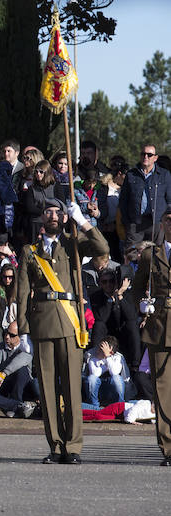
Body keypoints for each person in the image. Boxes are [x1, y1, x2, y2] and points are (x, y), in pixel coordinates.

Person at [16, 198, 110, 465]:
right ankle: (55, 445)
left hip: (70, 322)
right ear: (42, 218)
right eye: (48, 211)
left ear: (65, 217)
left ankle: (74, 446)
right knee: (47, 389)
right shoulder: (29, 251)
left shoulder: (73, 244)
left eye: (58, 212)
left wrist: (82, 220)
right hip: (42, 322)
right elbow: (23, 293)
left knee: (71, 387)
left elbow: (102, 247)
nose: (53, 216)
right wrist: (23, 330)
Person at [131, 205, 171, 465]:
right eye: (168, 220)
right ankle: (168, 447)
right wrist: (142, 307)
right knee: (164, 389)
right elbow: (137, 288)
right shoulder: (150, 255)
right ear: (161, 225)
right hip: (159, 326)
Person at [119, 143, 171, 249]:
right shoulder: (131, 174)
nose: (145, 157)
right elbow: (123, 201)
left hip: (157, 223)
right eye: (143, 154)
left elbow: (169, 200)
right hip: (135, 223)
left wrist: (165, 222)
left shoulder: (164, 174)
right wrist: (127, 222)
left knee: (157, 255)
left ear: (155, 158)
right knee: (132, 256)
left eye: (149, 155)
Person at [19, 160, 56, 244]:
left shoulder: (55, 187)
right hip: (36, 224)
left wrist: (47, 212)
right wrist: (46, 211)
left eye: (41, 172)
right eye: (36, 172)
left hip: (53, 223)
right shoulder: (31, 189)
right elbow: (30, 207)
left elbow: (61, 205)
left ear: (47, 172)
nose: (38, 174)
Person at [84, 336, 126, 407]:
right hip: (98, 389)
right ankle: (94, 405)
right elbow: (95, 374)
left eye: (101, 350)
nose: (98, 351)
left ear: (111, 352)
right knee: (92, 379)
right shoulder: (93, 357)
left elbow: (114, 372)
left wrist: (107, 357)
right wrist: (102, 362)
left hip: (111, 389)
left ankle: (119, 405)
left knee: (117, 378)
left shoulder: (118, 357)